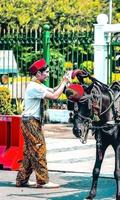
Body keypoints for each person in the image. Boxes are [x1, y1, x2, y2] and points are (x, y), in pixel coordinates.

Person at [16, 58, 70, 188]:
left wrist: (64, 81)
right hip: (30, 122)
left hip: (31, 121)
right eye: (45, 72)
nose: (47, 74)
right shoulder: (34, 87)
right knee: (39, 149)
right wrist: (63, 83)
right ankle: (42, 181)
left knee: (30, 152)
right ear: (38, 74)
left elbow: (53, 90)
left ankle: (22, 180)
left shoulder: (38, 84)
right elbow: (54, 96)